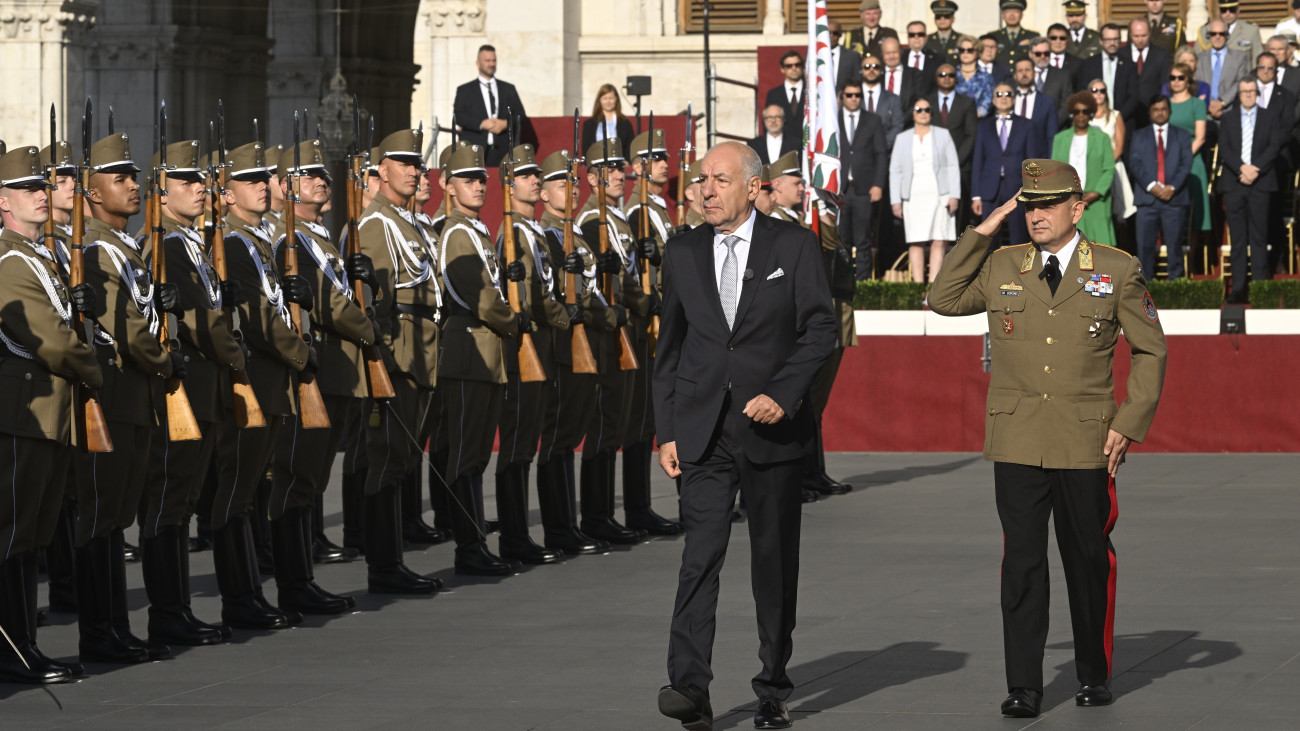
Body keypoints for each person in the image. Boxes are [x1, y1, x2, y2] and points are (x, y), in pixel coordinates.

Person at [929, 158, 1167, 720]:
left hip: (1087, 439)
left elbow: (1152, 350)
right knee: (1022, 564)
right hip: (1015, 438)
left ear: (1077, 208)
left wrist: (1129, 423)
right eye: (1029, 205)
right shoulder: (1003, 264)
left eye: (1048, 204)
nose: (1036, 215)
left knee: (1086, 559)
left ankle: (1093, 673)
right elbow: (942, 298)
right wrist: (986, 226)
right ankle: (1024, 685)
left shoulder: (1115, 268)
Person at [653, 141, 836, 731]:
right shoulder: (681, 251)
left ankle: (772, 684)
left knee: (773, 562)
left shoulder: (793, 246)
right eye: (701, 180)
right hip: (703, 431)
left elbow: (819, 330)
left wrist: (783, 395)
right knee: (698, 559)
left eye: (719, 180)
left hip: (772, 431)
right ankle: (688, 685)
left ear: (753, 188)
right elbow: (670, 349)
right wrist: (666, 430)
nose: (705, 190)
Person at [137, 139, 245, 649]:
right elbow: (202, 323)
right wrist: (237, 356)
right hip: (183, 387)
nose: (201, 189)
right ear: (162, 191)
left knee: (181, 502)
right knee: (169, 499)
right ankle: (166, 612)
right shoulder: (170, 245)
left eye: (202, 181)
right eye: (188, 182)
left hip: (203, 387)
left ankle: (176, 608)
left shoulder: (191, 242)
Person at [0, 146, 102, 684]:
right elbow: (55, 343)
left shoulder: (42, 257)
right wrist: (101, 371)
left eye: (43, 186)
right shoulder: (12, 262)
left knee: (32, 533)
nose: (42, 193)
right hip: (26, 413)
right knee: (14, 532)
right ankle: (13, 650)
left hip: (49, 411)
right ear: (3, 202)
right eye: (27, 188)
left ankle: (25, 645)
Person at [78, 133, 177, 662]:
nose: (135, 187)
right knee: (101, 515)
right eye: (121, 180)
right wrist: (167, 362)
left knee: (117, 518)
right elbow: (126, 329)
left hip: (135, 395)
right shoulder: (94, 248)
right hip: (115, 393)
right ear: (93, 194)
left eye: (134, 178)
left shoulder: (123, 246)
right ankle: (99, 632)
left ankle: (116, 627)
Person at [267, 139, 371, 613]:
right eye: (309, 176)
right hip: (310, 372)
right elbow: (327, 304)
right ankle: (292, 581)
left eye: (321, 175)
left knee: (310, 479)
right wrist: (371, 329)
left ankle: (301, 576)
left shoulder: (318, 234)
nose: (322, 181)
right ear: (285, 187)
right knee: (295, 477)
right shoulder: (287, 238)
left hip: (332, 371)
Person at [439, 141, 527, 574]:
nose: (478, 185)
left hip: (487, 351)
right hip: (470, 347)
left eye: (481, 179)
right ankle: (467, 547)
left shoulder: (476, 230)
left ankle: (475, 543)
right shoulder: (456, 232)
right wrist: (515, 320)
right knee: (465, 454)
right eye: (468, 179)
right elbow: (477, 297)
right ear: (448, 185)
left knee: (476, 455)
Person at [534, 148, 615, 557]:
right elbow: (555, 297)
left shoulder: (574, 235)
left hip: (589, 343)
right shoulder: (546, 235)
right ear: (543, 194)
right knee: (558, 436)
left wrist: (607, 314)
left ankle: (571, 523)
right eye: (561, 183)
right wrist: (587, 313)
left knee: (572, 437)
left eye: (574, 181)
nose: (572, 188)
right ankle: (557, 526)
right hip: (566, 347)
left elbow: (588, 290)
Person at [494, 143, 571, 564]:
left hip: (541, 341)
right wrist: (566, 317)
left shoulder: (533, 230)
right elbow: (533, 298)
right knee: (518, 440)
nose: (534, 180)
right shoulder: (515, 231)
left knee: (528, 438)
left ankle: (521, 533)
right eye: (525, 176)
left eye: (534, 174)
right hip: (526, 341)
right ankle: (513, 535)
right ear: (509, 186)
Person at [576, 137, 649, 547]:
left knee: (617, 423)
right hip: (605, 330)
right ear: (591, 178)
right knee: (603, 423)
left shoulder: (615, 220)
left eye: (621, 168)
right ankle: (596, 514)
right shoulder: (592, 221)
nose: (619, 175)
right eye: (609, 169)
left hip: (624, 325)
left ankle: (606, 512)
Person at [622, 128, 684, 536]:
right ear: (639, 167)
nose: (665, 164)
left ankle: (647, 505)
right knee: (639, 421)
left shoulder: (660, 210)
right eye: (656, 157)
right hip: (646, 322)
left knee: (653, 418)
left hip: (665, 318)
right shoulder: (637, 211)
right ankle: (636, 507)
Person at [1220, 78, 1283, 303]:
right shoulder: (1227, 118)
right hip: (1234, 183)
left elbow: (1275, 145)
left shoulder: (1270, 116)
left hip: (1261, 182)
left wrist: (1255, 168)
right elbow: (1225, 148)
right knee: (1238, 239)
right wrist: (1241, 168)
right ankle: (1238, 289)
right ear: (1238, 94)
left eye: (1251, 91)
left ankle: (1258, 288)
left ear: (1257, 93)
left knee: (1258, 237)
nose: (1247, 95)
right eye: (1244, 91)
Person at [890, 100, 961, 282]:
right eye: (918, 109)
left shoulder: (943, 135)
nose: (923, 113)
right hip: (912, 195)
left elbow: (952, 165)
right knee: (916, 240)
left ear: (931, 113)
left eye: (927, 109)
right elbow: (895, 170)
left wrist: (954, 195)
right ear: (912, 113)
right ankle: (918, 286)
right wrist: (895, 200)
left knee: (939, 239)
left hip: (940, 194)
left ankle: (932, 288)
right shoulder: (902, 138)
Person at [972, 81, 1044, 247]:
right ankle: (991, 271)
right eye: (999, 94)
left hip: (1018, 188)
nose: (1003, 98)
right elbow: (978, 161)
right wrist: (976, 195)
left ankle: (1020, 271)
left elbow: (1032, 162)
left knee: (1019, 236)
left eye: (1008, 94)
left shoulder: (1027, 125)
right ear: (993, 100)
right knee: (989, 238)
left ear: (1014, 99)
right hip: (989, 189)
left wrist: (1032, 191)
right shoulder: (983, 126)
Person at [1131, 96, 1193, 279]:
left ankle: (1175, 288)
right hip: (1147, 200)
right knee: (1144, 247)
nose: (1160, 112)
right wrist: (1152, 186)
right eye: (1156, 109)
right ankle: (1145, 290)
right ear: (1150, 113)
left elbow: (1186, 163)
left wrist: (1171, 187)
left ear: (1170, 111)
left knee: (1174, 247)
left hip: (1174, 199)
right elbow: (1135, 163)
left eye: (1163, 109)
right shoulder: (1139, 135)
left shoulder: (1181, 135)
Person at [838, 77, 887, 280]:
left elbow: (881, 154)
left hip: (864, 190)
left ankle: (863, 284)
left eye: (858, 95)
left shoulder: (872, 120)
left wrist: (877, 185)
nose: (854, 99)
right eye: (849, 95)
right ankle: (842, 283)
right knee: (842, 241)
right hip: (838, 190)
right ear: (842, 97)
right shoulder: (832, 119)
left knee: (863, 240)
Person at [1052, 91, 1115, 246]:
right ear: (1072, 114)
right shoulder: (1060, 139)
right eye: (1076, 112)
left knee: (1102, 248)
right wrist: (1069, 195)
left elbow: (1109, 169)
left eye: (1085, 111)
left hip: (1096, 201)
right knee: (1071, 246)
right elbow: (1056, 170)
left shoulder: (1102, 138)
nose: (1081, 115)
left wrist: (1096, 193)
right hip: (1068, 201)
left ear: (1091, 113)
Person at [453, 44, 529, 166]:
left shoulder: (508, 89)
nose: (491, 64)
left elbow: (521, 115)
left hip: (503, 149)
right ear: (478, 63)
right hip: (474, 149)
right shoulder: (465, 90)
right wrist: (482, 123)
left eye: (494, 60)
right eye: (487, 60)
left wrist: (505, 123)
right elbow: (459, 116)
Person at [925, 64, 978, 228]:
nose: (946, 78)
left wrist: (955, 161)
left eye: (950, 75)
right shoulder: (927, 102)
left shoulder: (967, 103)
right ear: (936, 78)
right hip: (931, 166)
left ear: (956, 78)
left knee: (959, 217)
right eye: (942, 75)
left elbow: (971, 134)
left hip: (960, 166)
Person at [1168, 63, 1212, 246]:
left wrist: (1182, 158)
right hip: (1168, 162)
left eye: (1181, 78)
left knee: (1195, 213)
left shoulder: (1197, 104)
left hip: (1193, 162)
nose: (1176, 82)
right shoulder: (1164, 104)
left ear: (1188, 80)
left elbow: (1200, 137)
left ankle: (1191, 263)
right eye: (1172, 78)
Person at [1074, 24, 1140, 132]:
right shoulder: (1088, 65)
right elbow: (1082, 93)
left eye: (1115, 39)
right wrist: (1096, 116)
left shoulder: (1130, 66)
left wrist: (1116, 118)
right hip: (1094, 123)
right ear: (1101, 41)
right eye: (1108, 40)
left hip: (1122, 123)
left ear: (1120, 40)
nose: (1112, 43)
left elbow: (1133, 97)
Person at [1088, 79, 1136, 221]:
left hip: (1113, 166)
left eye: (1102, 91)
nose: (1099, 94)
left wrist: (1105, 166)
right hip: (1089, 170)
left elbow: (1119, 147)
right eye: (1094, 90)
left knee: (1117, 214)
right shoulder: (1084, 117)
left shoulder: (1116, 115)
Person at [1195, 20, 1249, 119]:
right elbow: (1196, 83)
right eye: (1213, 34)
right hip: (1204, 113)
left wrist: (1221, 102)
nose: (1217, 37)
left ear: (1227, 36)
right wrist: (1209, 105)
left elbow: (1240, 82)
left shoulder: (1239, 58)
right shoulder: (1199, 59)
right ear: (1209, 36)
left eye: (1221, 34)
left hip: (1229, 112)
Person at [1011, 58, 1059, 154]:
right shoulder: (1006, 100)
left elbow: (1051, 137)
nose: (1024, 74)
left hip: (1038, 160)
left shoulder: (1047, 102)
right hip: (1011, 162)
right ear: (1015, 76)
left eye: (1027, 70)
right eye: (1020, 71)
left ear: (1035, 73)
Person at [1129, 19, 1172, 119]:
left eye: (1144, 36)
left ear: (1150, 33)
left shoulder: (1161, 55)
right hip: (1127, 113)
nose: (1140, 40)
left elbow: (1165, 85)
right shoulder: (1122, 54)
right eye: (1136, 36)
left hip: (1152, 113)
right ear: (1130, 35)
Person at [580, 84, 636, 162]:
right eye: (605, 98)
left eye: (611, 98)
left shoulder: (625, 123)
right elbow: (586, 151)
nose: (608, 102)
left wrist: (626, 162)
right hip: (597, 165)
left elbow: (630, 148)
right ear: (599, 100)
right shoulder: (589, 124)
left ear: (616, 99)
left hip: (619, 165)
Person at [860, 55, 906, 148]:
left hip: (885, 153)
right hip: (857, 154)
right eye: (867, 67)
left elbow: (897, 126)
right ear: (861, 71)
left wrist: (880, 146)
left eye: (876, 67)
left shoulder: (893, 99)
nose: (871, 70)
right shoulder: (852, 96)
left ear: (881, 71)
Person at [1197, 0, 1262, 65]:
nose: (1228, 14)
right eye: (1224, 10)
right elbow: (1197, 58)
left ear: (1238, 9)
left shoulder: (1251, 30)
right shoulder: (1206, 30)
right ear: (1219, 10)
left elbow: (1258, 60)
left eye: (1232, 10)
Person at [1028, 37, 1073, 125]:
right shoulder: (1023, 75)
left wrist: (1051, 124)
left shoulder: (1062, 75)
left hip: (1054, 129)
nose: (1043, 57)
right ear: (1030, 54)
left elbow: (1067, 105)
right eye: (1038, 54)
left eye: (1046, 53)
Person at [764, 51, 806, 144]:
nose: (794, 68)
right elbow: (768, 122)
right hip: (783, 146)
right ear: (783, 69)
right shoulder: (774, 94)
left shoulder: (811, 92)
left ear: (802, 67)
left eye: (797, 65)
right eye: (789, 66)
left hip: (807, 147)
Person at [881, 36, 927, 110]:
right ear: (882, 55)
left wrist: (901, 119)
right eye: (887, 53)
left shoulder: (915, 74)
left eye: (894, 52)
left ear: (900, 52)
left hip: (907, 120)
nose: (891, 56)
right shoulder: (877, 75)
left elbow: (919, 101)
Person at [989, 0, 1038, 69]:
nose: (1012, 15)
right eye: (1008, 11)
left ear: (1022, 15)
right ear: (1002, 15)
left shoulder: (1033, 36)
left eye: (1016, 11)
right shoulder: (993, 36)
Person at [955, 36, 994, 116]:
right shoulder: (951, 75)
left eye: (970, 50)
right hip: (951, 122)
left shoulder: (986, 78)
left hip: (977, 123)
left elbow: (987, 103)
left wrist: (971, 117)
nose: (965, 53)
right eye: (962, 50)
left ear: (978, 53)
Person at [828, 19, 863, 94]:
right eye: (828, 33)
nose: (831, 36)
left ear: (840, 35)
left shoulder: (853, 56)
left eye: (835, 33)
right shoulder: (814, 56)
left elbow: (857, 82)